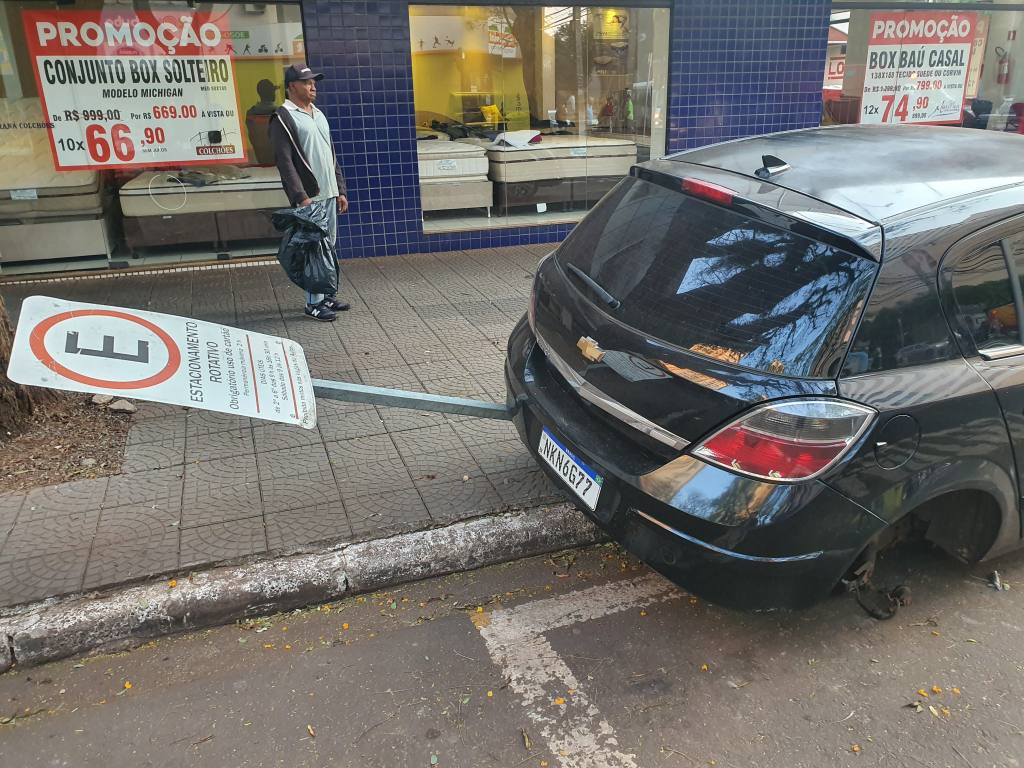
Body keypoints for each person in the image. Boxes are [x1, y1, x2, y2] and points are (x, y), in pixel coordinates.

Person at [269, 63, 350, 321]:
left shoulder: (318, 114)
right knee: (314, 250)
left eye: (314, 82)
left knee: (329, 247)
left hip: (329, 193)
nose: (313, 86)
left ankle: (326, 295)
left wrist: (340, 189)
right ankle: (313, 304)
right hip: (309, 197)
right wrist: (300, 197)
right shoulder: (283, 117)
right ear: (292, 86)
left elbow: (331, 154)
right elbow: (285, 162)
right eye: (307, 82)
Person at [244, 78, 279, 165]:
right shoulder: (281, 114)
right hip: (279, 162)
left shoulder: (250, 114)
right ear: (272, 93)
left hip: (261, 160)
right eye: (273, 91)